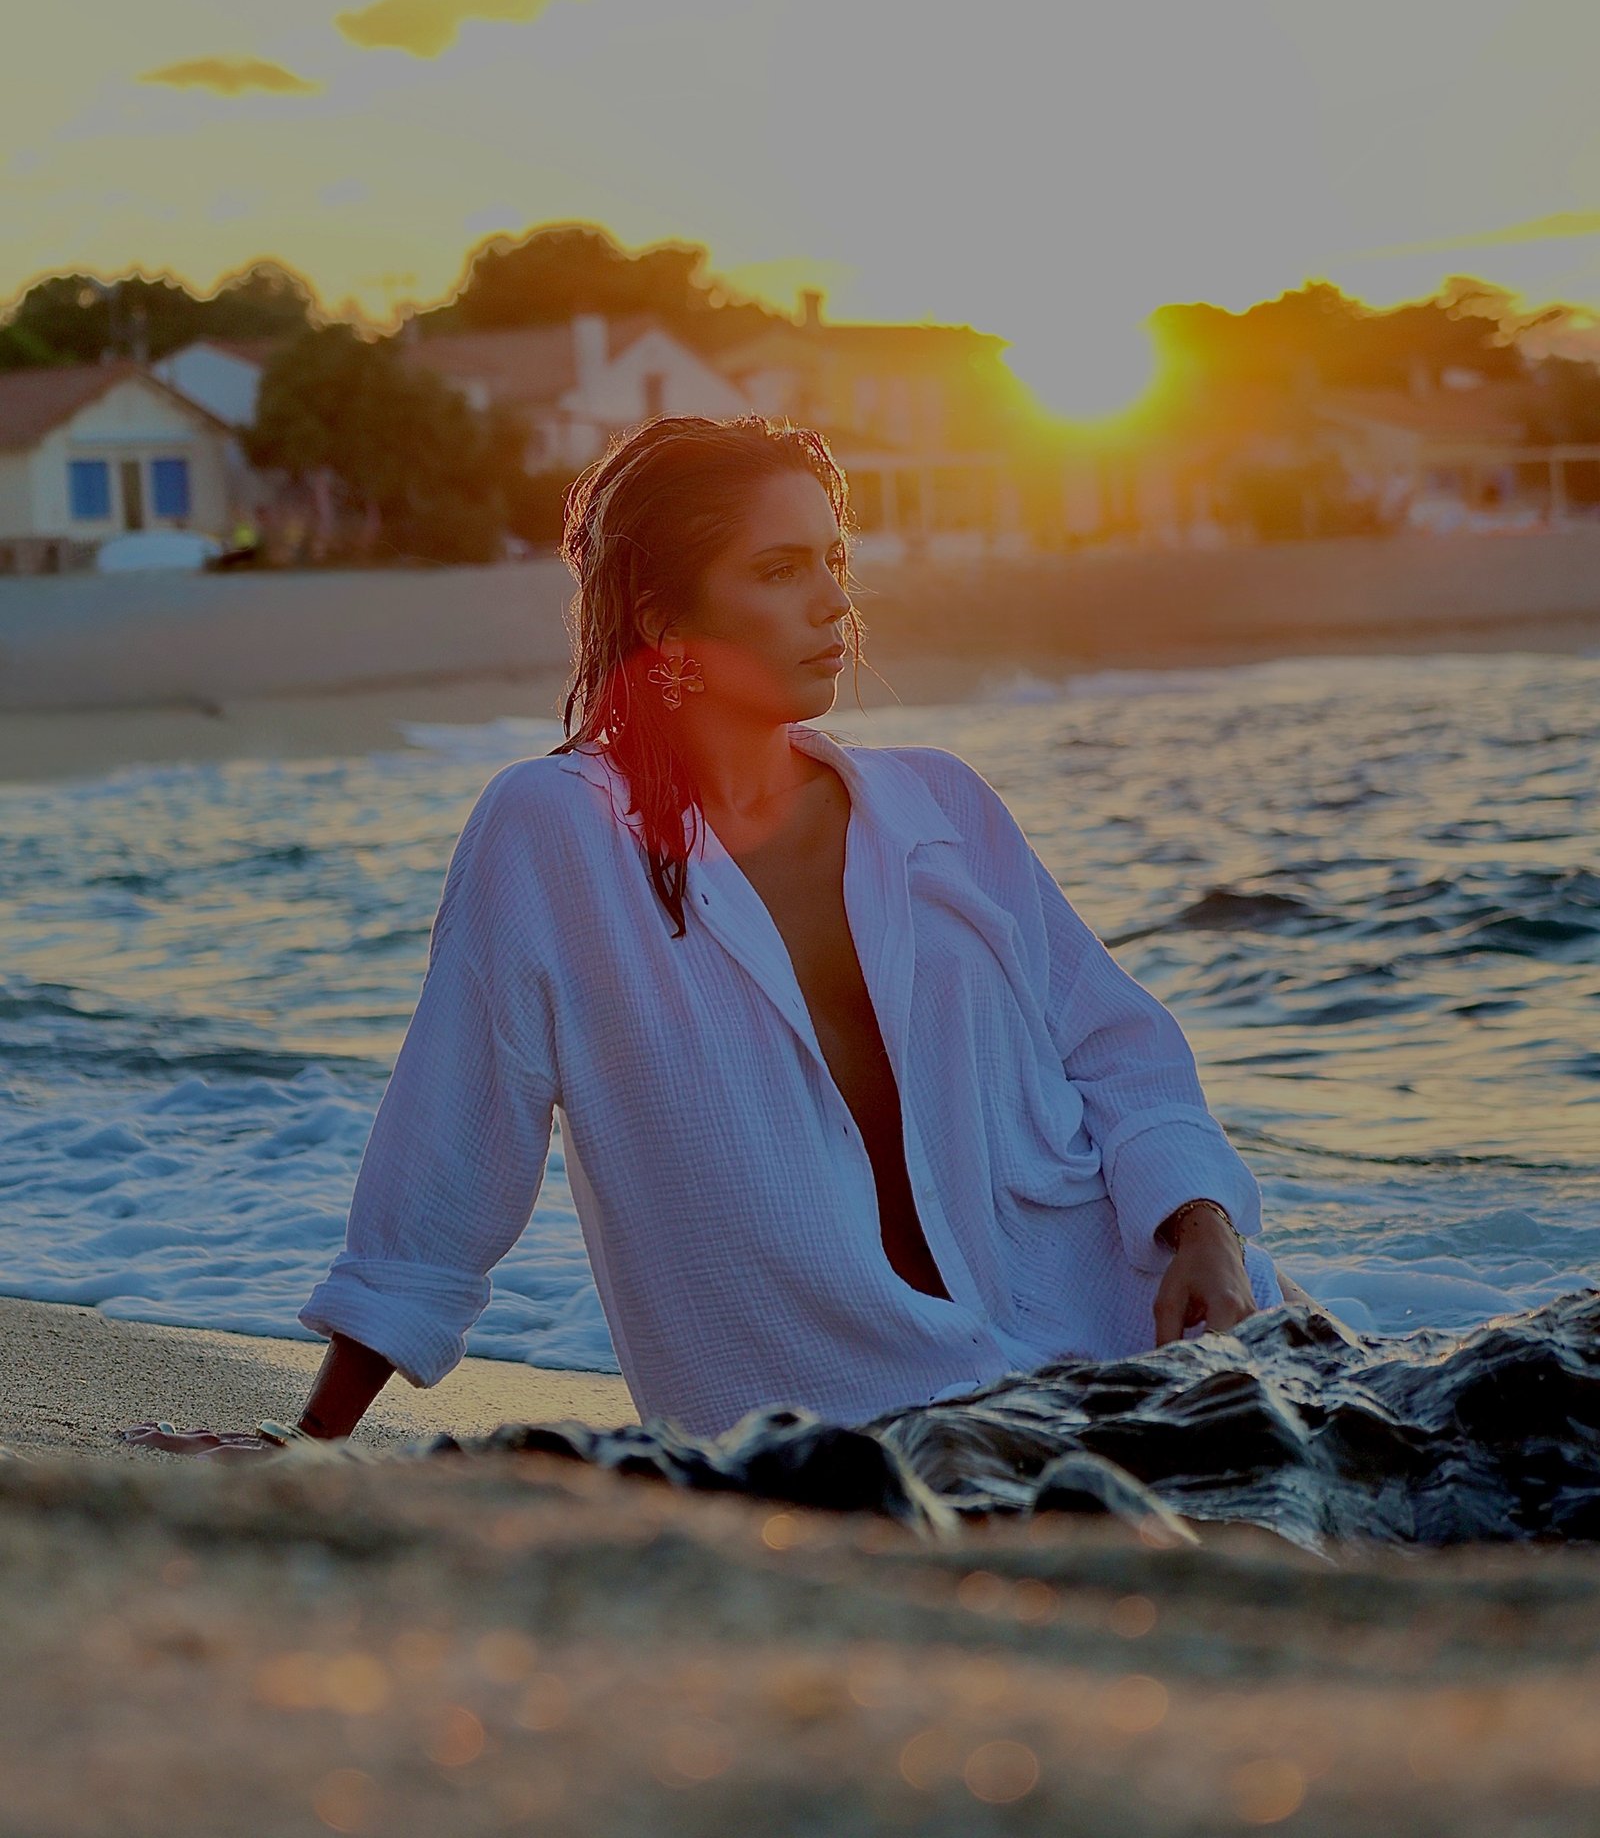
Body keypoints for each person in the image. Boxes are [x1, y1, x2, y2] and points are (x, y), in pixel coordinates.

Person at [126, 415, 1306, 1458]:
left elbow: (1118, 1050)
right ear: (661, 614)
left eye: (834, 561)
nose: (834, 603)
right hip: (846, 1437)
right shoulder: (554, 834)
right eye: (780, 570)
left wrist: (1203, 1228)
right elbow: (449, 1158)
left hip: (1134, 1350)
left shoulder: (941, 808)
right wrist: (310, 1441)